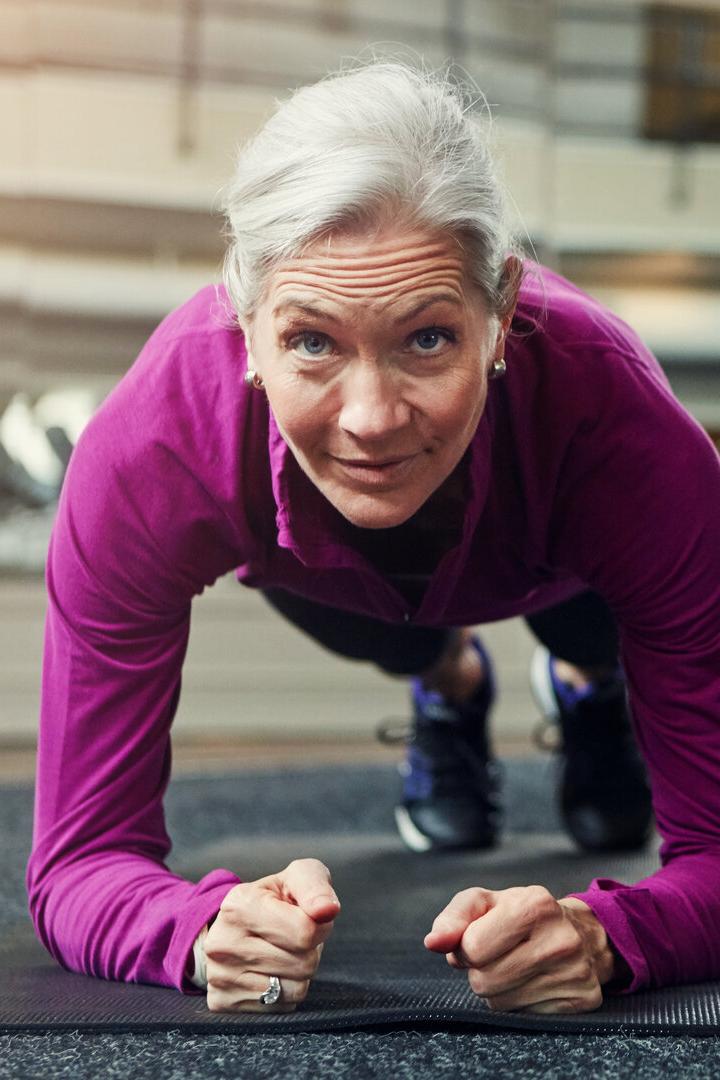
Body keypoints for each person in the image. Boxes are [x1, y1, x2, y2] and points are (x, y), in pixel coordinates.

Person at [27, 60, 720, 1017]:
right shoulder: (151, 451)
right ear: (247, 325)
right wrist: (194, 929)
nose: (372, 419)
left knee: (594, 640)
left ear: (502, 315)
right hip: (329, 582)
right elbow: (77, 862)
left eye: (428, 338)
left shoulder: (629, 439)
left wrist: (612, 938)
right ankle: (453, 683)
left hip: (571, 573)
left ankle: (591, 686)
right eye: (312, 341)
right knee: (388, 626)